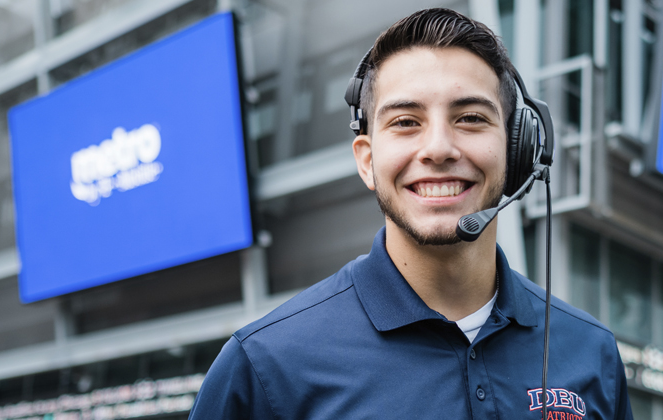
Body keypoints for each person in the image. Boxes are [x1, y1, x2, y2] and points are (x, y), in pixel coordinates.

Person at [189, 8, 632, 419]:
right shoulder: (264, 365)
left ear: (518, 149)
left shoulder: (592, 353)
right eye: (405, 122)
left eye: (471, 118)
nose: (438, 148)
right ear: (366, 160)